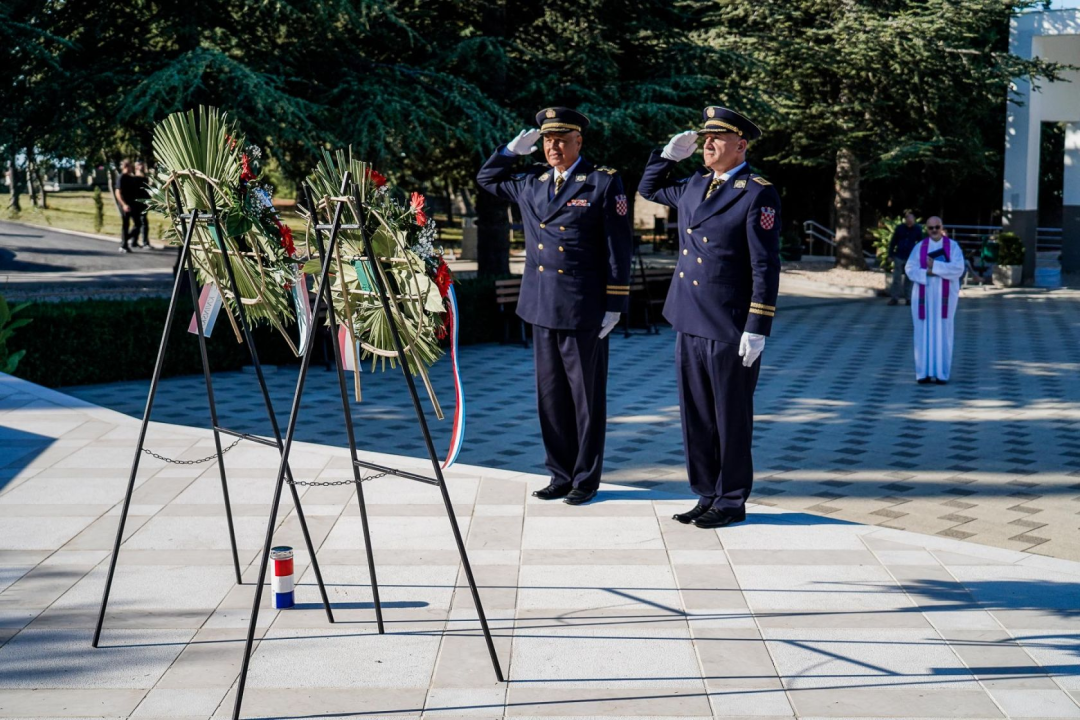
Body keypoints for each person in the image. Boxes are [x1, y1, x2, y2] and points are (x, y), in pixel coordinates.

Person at [476, 107, 633, 506]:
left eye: (561, 140)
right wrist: (510, 151)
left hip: (583, 306)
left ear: (579, 141)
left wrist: (615, 302)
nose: (553, 148)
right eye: (548, 141)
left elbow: (618, 246)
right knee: (550, 396)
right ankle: (559, 474)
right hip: (541, 303)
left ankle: (585, 479)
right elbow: (487, 179)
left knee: (586, 399)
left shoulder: (601, 182)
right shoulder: (533, 181)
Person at [638, 106, 781, 529]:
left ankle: (731, 499)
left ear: (741, 145)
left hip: (727, 322)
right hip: (688, 316)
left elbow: (765, 265)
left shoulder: (756, 192)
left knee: (730, 416)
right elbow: (648, 189)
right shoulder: (695, 183)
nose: (708, 144)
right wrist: (667, 157)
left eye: (718, 138)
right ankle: (706, 492)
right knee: (697, 414)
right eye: (705, 138)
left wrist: (757, 325)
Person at [905, 217, 964, 384]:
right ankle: (922, 373)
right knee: (922, 331)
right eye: (930, 228)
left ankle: (941, 373)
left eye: (937, 227)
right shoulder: (920, 247)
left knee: (943, 331)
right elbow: (909, 268)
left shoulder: (953, 246)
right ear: (926, 229)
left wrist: (935, 266)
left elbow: (958, 269)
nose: (934, 231)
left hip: (945, 297)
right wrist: (927, 272)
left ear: (941, 227)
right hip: (923, 296)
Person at [887, 212, 921, 305]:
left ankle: (908, 298)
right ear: (905, 220)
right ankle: (894, 297)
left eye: (911, 221)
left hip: (911, 257)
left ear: (914, 220)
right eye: (908, 220)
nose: (909, 223)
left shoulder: (917, 229)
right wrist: (890, 255)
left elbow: (920, 243)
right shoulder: (900, 228)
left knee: (909, 278)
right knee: (896, 278)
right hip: (899, 255)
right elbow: (893, 242)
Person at [113, 159, 142, 253]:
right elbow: (117, 192)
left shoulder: (131, 177)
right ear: (126, 167)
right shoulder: (121, 177)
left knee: (138, 224)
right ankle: (124, 245)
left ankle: (125, 239)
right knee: (126, 224)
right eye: (130, 166)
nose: (131, 168)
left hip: (133, 204)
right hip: (125, 204)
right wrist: (124, 204)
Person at [133, 160, 152, 249]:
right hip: (137, 203)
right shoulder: (134, 179)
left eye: (143, 165)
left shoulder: (145, 178)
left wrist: (149, 201)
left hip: (144, 203)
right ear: (136, 167)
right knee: (139, 223)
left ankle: (141, 241)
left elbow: (146, 191)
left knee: (143, 222)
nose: (142, 167)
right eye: (140, 165)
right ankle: (139, 242)